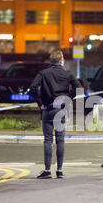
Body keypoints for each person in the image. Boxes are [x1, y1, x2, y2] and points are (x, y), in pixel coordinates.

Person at [30, 50, 82, 179]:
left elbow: (33, 88)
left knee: (48, 140)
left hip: (47, 109)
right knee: (60, 139)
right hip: (61, 110)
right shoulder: (67, 74)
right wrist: (69, 97)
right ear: (61, 60)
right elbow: (79, 87)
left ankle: (47, 170)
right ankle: (59, 170)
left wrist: (40, 103)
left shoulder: (43, 73)